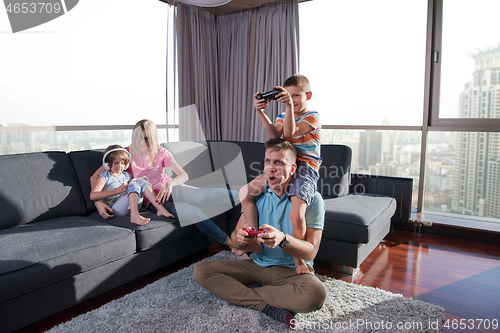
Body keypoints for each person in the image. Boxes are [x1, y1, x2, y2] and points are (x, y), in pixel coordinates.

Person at [194, 138, 326, 329]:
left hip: (292, 273)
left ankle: (245, 294)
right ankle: (268, 306)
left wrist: (283, 239)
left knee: (315, 295)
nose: (271, 168)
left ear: (292, 169)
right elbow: (247, 245)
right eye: (267, 161)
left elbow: (310, 252)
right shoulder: (256, 195)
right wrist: (240, 240)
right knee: (202, 271)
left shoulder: (312, 200)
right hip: (257, 266)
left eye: (279, 162)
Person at [90, 119, 239, 249]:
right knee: (194, 213)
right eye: (138, 138)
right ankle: (229, 242)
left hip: (170, 189)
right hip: (153, 202)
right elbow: (94, 177)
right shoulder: (125, 155)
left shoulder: (161, 152)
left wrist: (170, 184)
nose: (142, 142)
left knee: (203, 196)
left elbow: (184, 175)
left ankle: (245, 195)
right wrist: (98, 202)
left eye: (146, 138)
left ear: (153, 138)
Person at [239, 74, 322, 274]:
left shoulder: (312, 116)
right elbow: (276, 135)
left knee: (296, 214)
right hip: (283, 165)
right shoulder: (282, 116)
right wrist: (260, 112)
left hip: (304, 167)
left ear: (308, 95)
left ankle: (299, 260)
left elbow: (291, 133)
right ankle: (254, 240)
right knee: (245, 192)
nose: (292, 101)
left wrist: (287, 108)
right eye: (288, 97)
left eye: (296, 96)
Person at [90, 145, 174, 225]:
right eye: (116, 163)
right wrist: (115, 191)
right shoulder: (105, 177)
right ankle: (134, 215)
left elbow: (133, 190)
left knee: (141, 181)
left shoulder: (126, 176)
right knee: (135, 182)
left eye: (122, 163)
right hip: (115, 209)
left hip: (129, 206)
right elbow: (93, 195)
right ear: (107, 164)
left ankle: (160, 209)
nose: (120, 166)